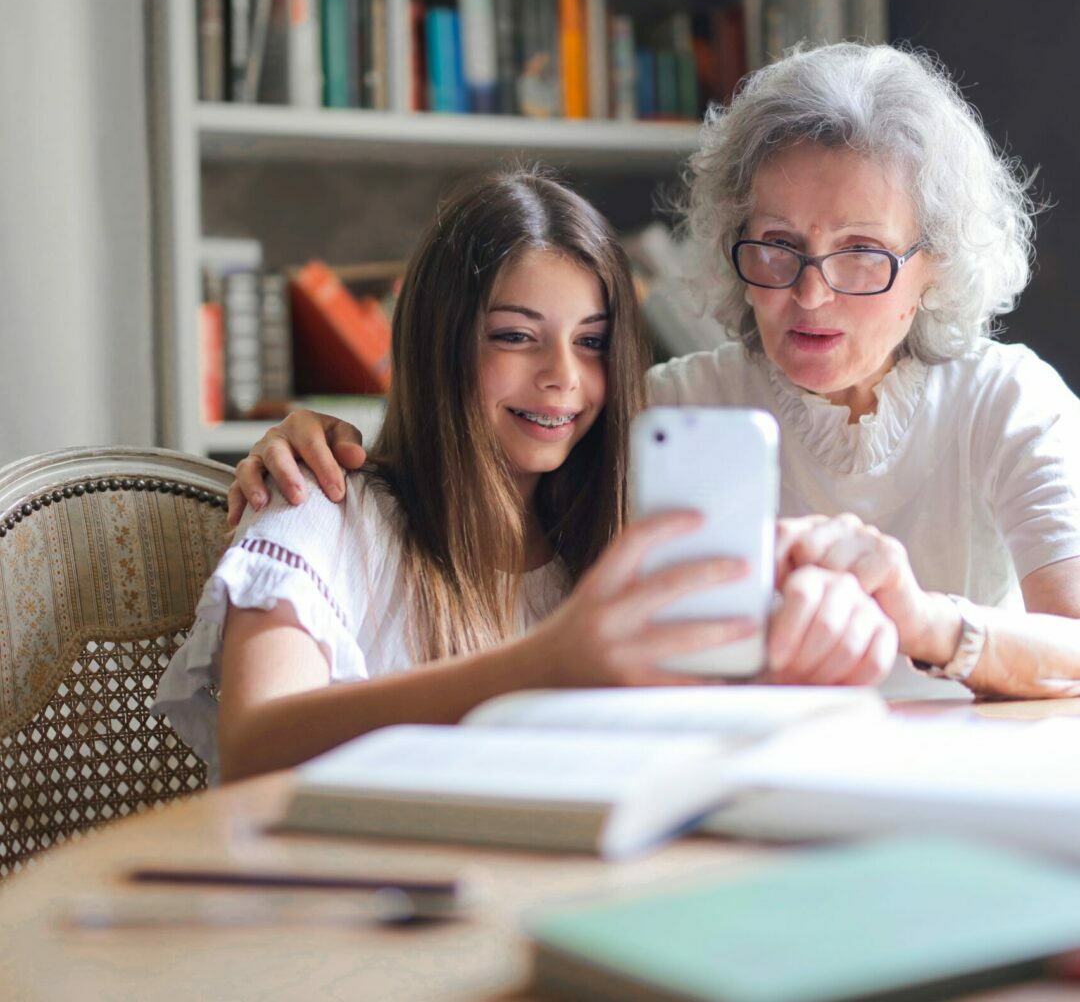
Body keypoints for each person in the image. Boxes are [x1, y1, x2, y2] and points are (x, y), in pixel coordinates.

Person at [237, 44, 1080, 702]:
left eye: (861, 253)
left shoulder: (1008, 399)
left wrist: (926, 622)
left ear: (934, 264)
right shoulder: (669, 408)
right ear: (730, 240)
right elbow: (486, 441)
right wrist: (309, 438)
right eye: (778, 246)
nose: (809, 293)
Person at [155, 168, 895, 783]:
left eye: (593, 343)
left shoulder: (614, 544)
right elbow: (254, 746)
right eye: (516, 337)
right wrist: (545, 665)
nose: (563, 380)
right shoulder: (321, 508)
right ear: (439, 344)